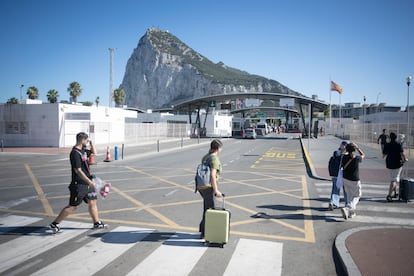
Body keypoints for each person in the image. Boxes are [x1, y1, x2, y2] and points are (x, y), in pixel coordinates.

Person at [49, 132, 107, 233]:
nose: (87, 142)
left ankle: (96, 223)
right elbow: (78, 170)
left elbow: (94, 153)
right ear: (82, 140)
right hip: (79, 184)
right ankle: (54, 224)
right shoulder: (75, 153)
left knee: (92, 201)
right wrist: (89, 182)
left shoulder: (83, 150)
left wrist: (92, 143)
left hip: (88, 184)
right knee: (73, 206)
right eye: (87, 140)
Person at [197, 139, 223, 238]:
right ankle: (205, 232)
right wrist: (216, 190)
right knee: (209, 209)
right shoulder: (214, 159)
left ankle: (203, 229)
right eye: (221, 148)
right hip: (209, 186)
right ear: (218, 148)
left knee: (207, 208)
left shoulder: (206, 156)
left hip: (201, 185)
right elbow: (212, 175)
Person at [341, 143, 365, 220]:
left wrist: (346, 148)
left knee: (349, 196)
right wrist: (357, 148)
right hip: (354, 179)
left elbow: (342, 153)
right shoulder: (356, 158)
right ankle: (347, 208)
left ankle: (351, 213)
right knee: (357, 195)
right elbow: (363, 155)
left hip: (345, 178)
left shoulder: (344, 157)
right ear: (354, 150)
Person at [383, 132, 407, 202]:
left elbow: (384, 154)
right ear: (396, 138)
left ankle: (395, 193)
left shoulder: (387, 144)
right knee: (394, 179)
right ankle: (389, 195)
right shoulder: (398, 144)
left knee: (393, 177)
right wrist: (405, 159)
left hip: (389, 163)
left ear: (390, 138)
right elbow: (402, 153)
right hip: (397, 164)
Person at [328, 141, 348, 210]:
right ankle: (347, 204)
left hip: (335, 174)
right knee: (346, 190)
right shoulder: (347, 155)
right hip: (344, 175)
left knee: (335, 189)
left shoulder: (336, 153)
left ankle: (333, 202)